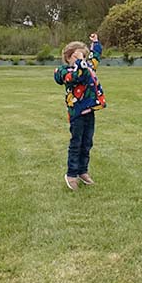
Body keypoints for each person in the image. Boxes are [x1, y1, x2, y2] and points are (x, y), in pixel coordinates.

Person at [53, 33, 106, 190]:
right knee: (76, 143)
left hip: (90, 111)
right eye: (78, 57)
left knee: (87, 142)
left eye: (84, 56)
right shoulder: (63, 71)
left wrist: (95, 44)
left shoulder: (87, 66)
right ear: (69, 57)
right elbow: (76, 76)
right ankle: (71, 174)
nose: (83, 60)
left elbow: (95, 58)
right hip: (77, 113)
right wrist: (81, 63)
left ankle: (83, 171)